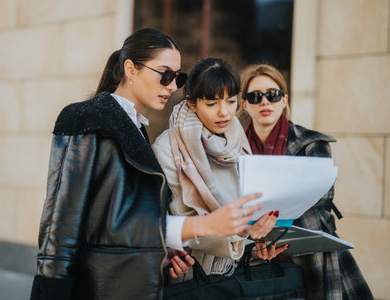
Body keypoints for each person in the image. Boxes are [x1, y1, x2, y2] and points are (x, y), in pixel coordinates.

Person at [30, 29, 266, 300]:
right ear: (130, 69)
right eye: (165, 74)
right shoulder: (84, 118)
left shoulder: (138, 130)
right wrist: (202, 226)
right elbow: (61, 226)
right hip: (95, 288)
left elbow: (126, 226)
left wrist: (162, 252)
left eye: (178, 77)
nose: (173, 86)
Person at [238, 63, 374, 299]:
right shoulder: (231, 151)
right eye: (255, 96)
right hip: (251, 258)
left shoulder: (312, 144)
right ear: (244, 104)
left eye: (272, 95)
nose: (264, 103)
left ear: (284, 100)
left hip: (310, 258)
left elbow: (321, 198)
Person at [152, 58, 280, 282]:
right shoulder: (168, 147)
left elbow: (246, 208)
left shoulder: (237, 136)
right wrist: (242, 233)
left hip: (235, 273)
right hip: (192, 275)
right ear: (192, 103)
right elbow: (182, 221)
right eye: (212, 104)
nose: (224, 113)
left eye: (230, 102)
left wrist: (255, 245)